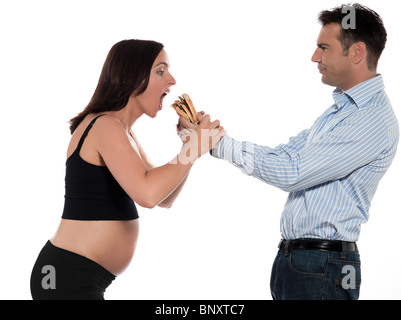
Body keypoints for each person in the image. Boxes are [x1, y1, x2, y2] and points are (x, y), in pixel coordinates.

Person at [183, 4, 398, 299]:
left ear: (357, 52)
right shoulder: (340, 113)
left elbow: (293, 172)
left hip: (322, 266)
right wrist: (210, 139)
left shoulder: (370, 120)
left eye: (324, 47)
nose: (314, 57)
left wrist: (215, 142)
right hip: (303, 263)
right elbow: (285, 155)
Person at [30, 39, 225, 300]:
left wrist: (191, 146)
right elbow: (147, 195)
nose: (172, 80)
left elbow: (164, 197)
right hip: (65, 278)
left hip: (78, 277)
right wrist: (193, 148)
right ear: (132, 77)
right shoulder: (104, 125)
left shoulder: (124, 131)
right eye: (160, 71)